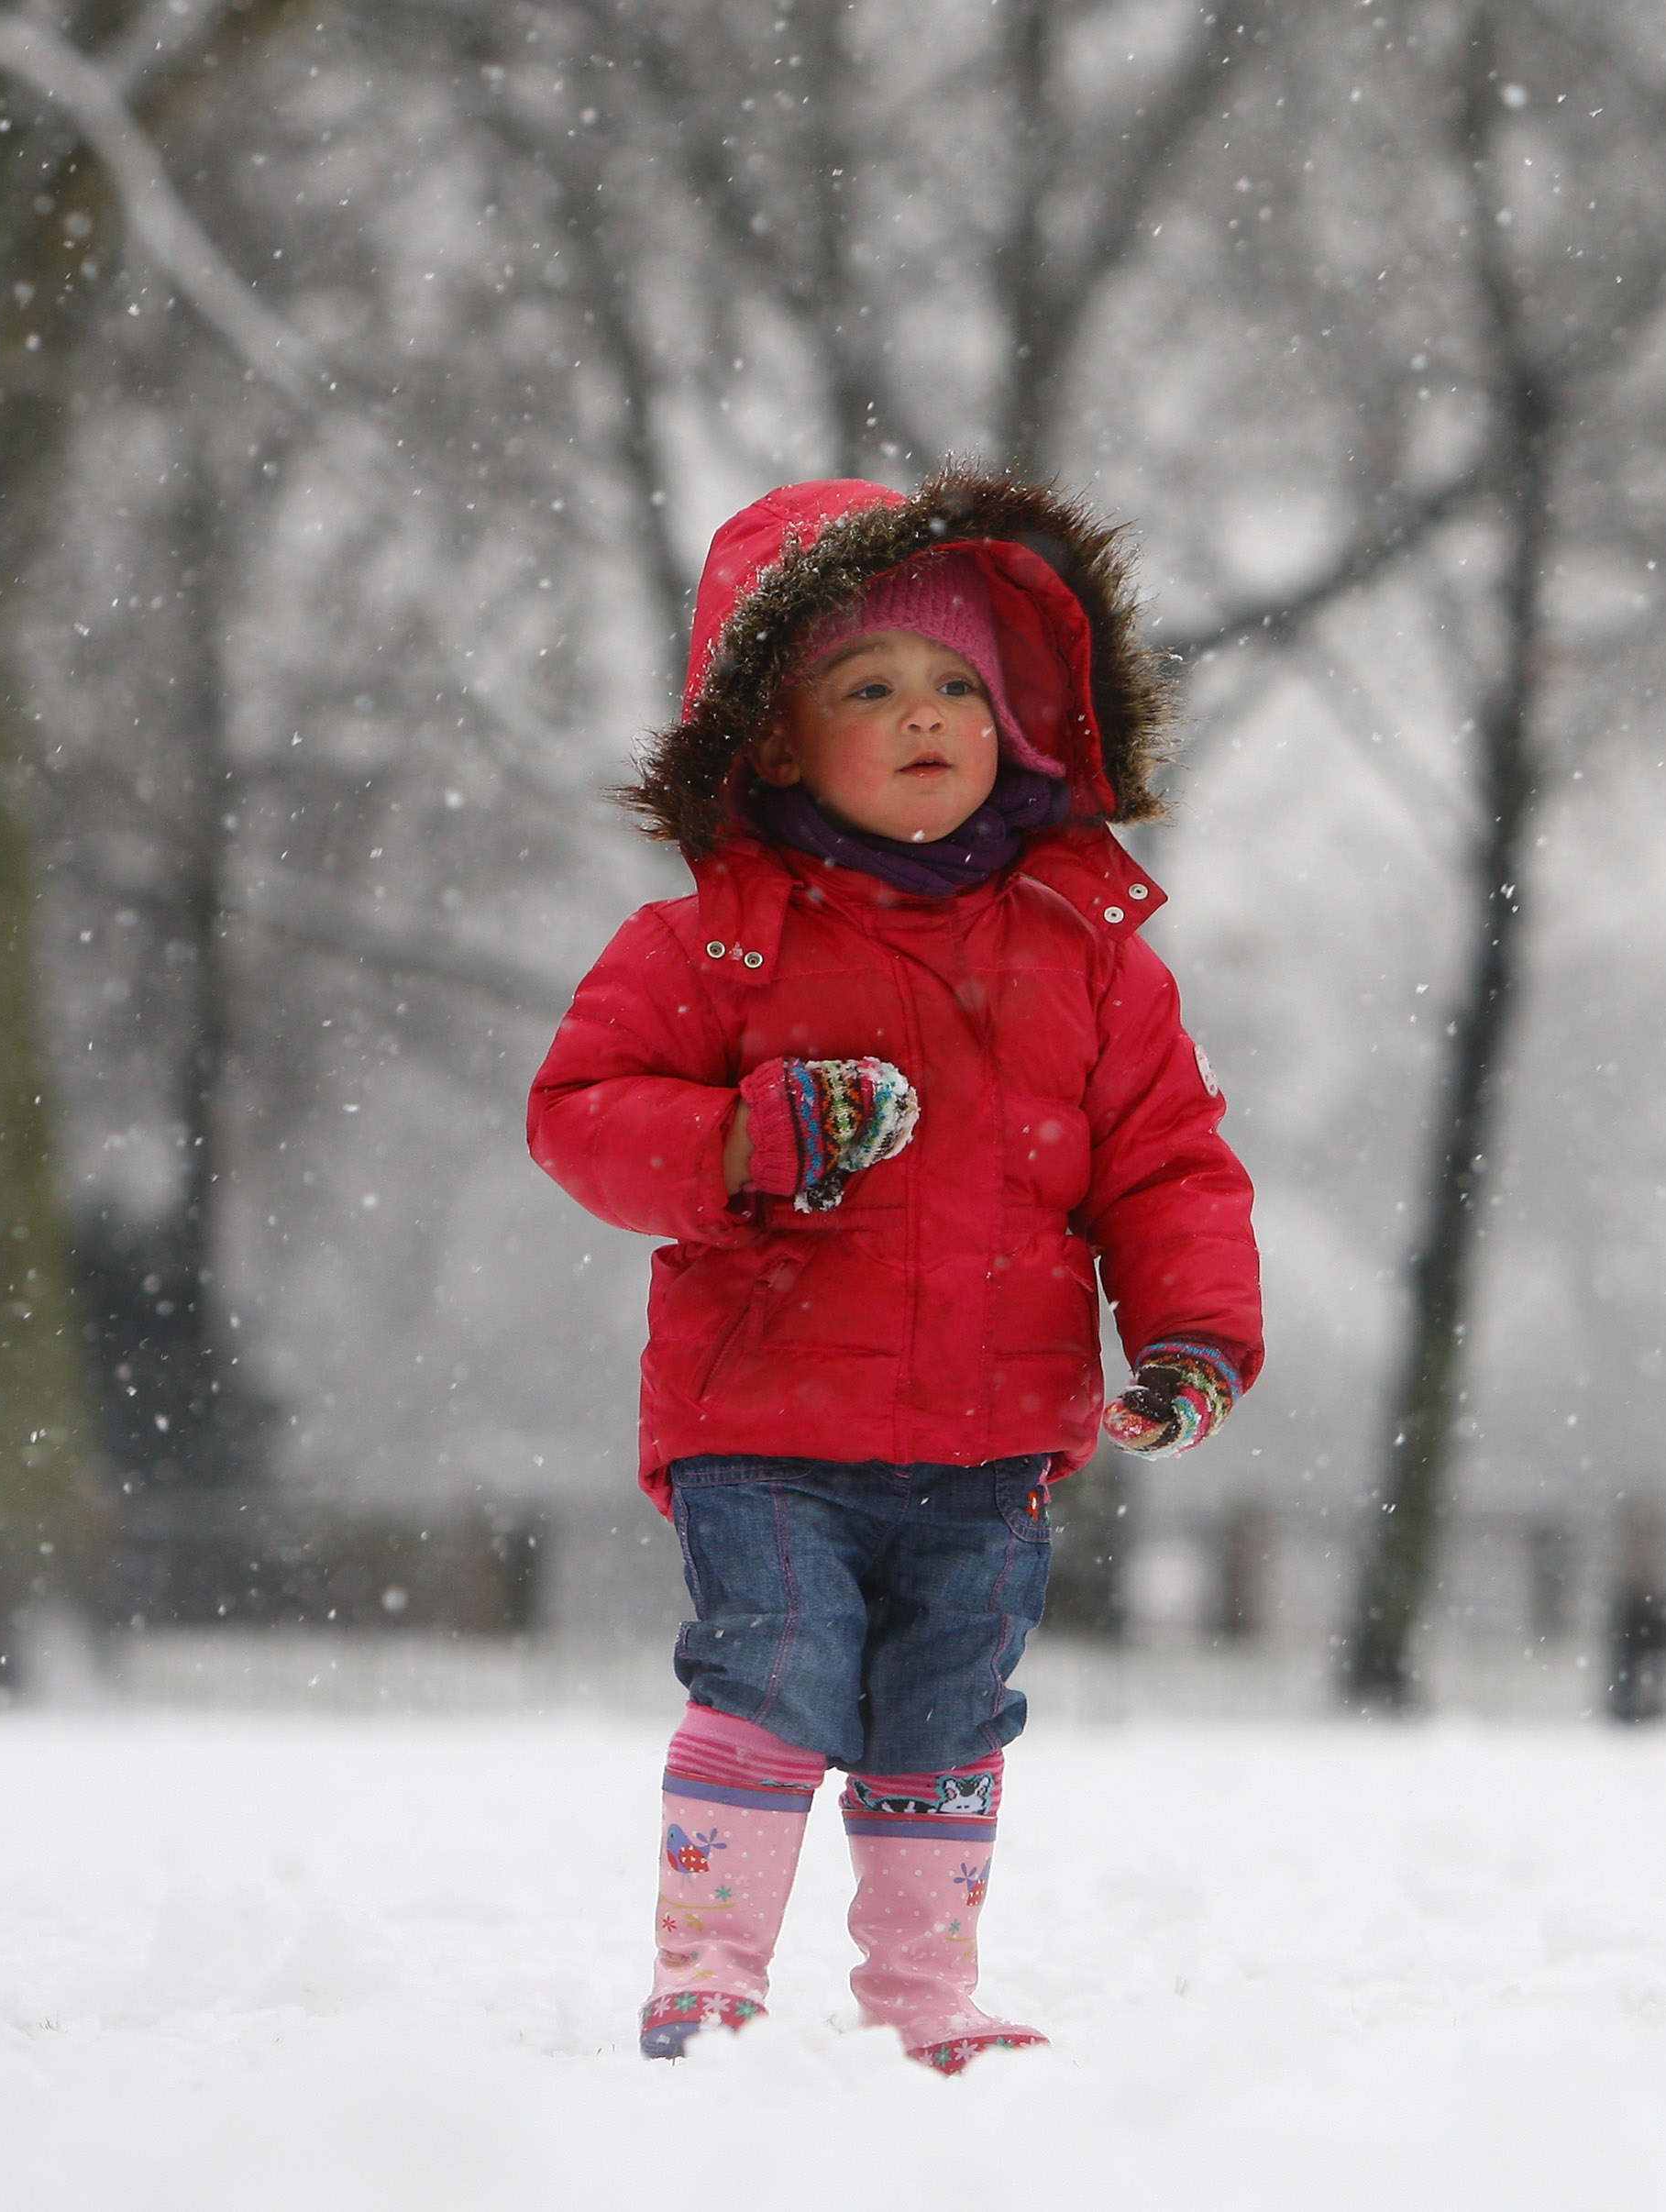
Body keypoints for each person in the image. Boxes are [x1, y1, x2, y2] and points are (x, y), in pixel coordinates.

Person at [526, 468, 1262, 2073]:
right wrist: (744, 1138)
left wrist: (1194, 1333)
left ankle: (923, 1996)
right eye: (870, 687)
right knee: (777, 1679)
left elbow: (1168, 1163)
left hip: (996, 1433)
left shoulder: (1090, 957)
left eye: (960, 687)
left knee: (947, 1717)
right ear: (776, 737)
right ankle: (707, 1977)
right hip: (769, 1424)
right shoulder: (709, 945)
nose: (925, 714)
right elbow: (581, 1117)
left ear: (1026, 723)